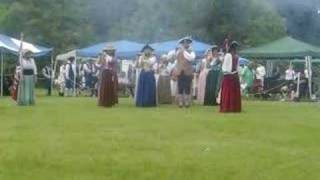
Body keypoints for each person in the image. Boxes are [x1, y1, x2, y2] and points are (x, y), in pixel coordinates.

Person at [220, 41, 241, 113]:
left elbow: (237, 66)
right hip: (228, 76)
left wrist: (237, 73)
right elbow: (225, 66)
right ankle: (227, 107)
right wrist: (228, 72)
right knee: (228, 92)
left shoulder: (237, 56)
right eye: (234, 47)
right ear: (231, 48)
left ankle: (234, 107)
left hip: (234, 75)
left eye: (236, 48)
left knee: (234, 92)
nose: (235, 49)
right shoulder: (228, 55)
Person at [176, 37, 196, 108]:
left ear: (189, 44)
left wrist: (184, 50)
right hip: (180, 71)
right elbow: (175, 59)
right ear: (182, 44)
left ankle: (187, 102)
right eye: (184, 43)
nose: (185, 44)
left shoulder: (191, 52)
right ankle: (180, 102)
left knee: (187, 87)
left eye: (187, 42)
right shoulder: (178, 51)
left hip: (188, 71)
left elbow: (191, 58)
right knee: (180, 87)